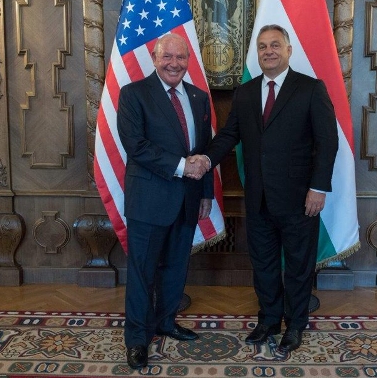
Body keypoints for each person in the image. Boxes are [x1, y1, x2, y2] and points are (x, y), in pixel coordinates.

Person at [189, 24, 338, 354]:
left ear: (288, 50)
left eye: (275, 45)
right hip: (257, 198)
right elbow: (230, 135)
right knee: (264, 264)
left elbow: (327, 143)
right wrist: (206, 159)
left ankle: (295, 324)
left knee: (298, 267)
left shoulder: (310, 88)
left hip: (300, 199)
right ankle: (269, 319)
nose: (268, 51)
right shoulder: (245, 92)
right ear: (257, 53)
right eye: (262, 46)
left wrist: (318, 187)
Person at [117, 33, 213, 369]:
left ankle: (166, 322)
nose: (174, 63)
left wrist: (206, 192)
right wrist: (183, 166)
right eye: (167, 57)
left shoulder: (199, 97)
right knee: (142, 273)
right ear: (155, 58)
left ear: (188, 60)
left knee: (175, 268)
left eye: (180, 57)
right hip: (148, 200)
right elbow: (136, 146)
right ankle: (137, 338)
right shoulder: (133, 94)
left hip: (188, 199)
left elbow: (204, 149)